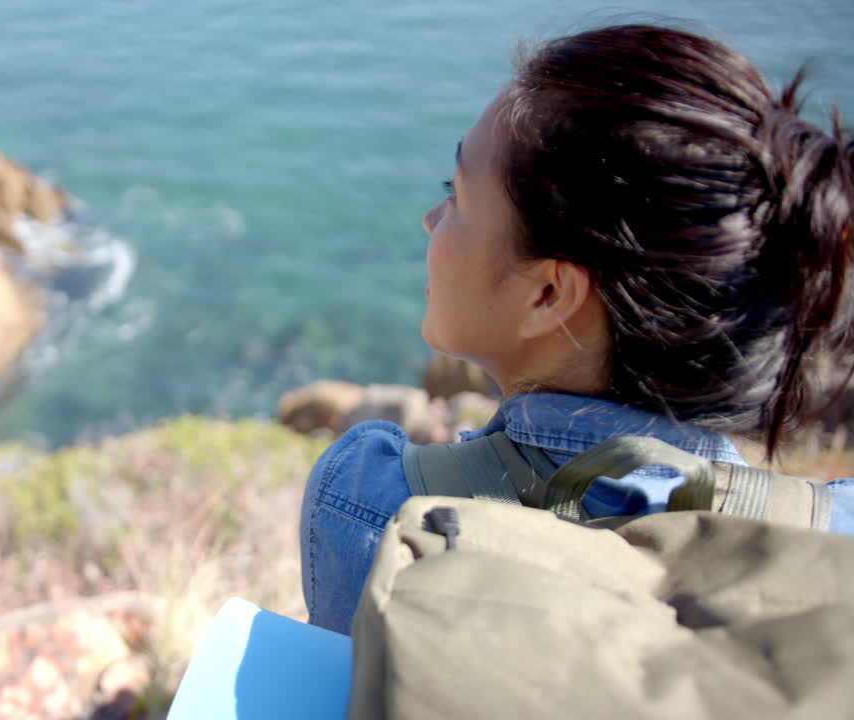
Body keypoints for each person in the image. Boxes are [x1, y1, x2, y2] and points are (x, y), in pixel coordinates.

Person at [300, 23, 854, 636]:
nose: (431, 221)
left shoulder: (368, 500)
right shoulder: (834, 543)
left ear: (548, 294)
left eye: (454, 196)